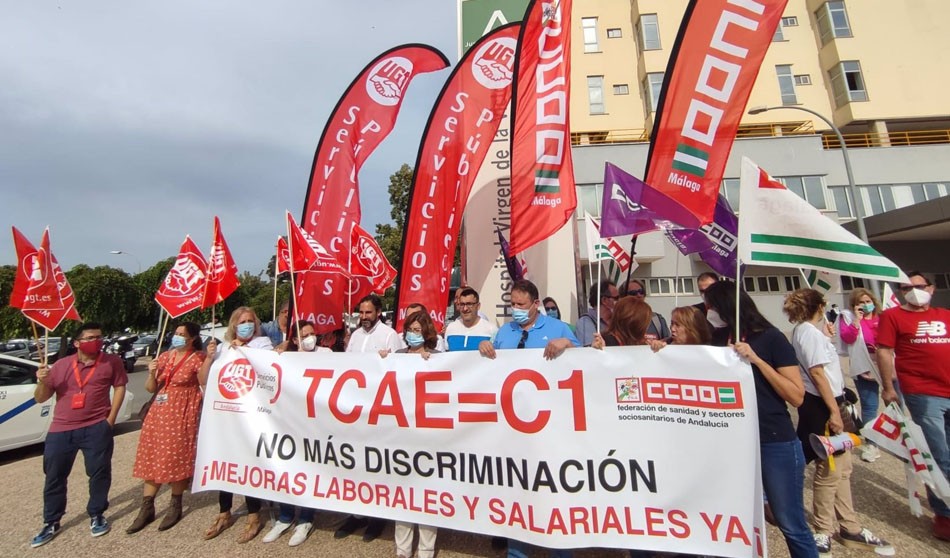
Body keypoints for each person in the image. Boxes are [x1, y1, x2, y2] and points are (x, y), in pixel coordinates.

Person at [703, 281, 817, 558]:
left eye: (711, 306)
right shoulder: (718, 338)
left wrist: (756, 360)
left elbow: (796, 395)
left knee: (789, 522)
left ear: (727, 306)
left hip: (773, 440)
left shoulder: (771, 338)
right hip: (734, 442)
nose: (708, 312)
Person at [784, 289, 894, 555]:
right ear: (820, 306)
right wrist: (834, 412)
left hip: (832, 401)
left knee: (843, 468)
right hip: (823, 406)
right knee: (829, 469)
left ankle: (849, 525)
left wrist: (826, 337)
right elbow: (817, 374)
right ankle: (823, 529)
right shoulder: (807, 333)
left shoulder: (811, 332)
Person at [478, 280, 578, 558]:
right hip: (512, 430)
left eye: (521, 304)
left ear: (536, 304)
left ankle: (560, 550)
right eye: (512, 304)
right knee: (516, 493)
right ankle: (517, 552)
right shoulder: (504, 331)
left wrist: (568, 344)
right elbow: (490, 369)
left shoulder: (559, 328)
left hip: (550, 430)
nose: (516, 309)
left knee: (553, 493)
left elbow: (587, 363)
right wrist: (484, 347)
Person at [30, 322, 129, 548]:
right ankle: (51, 521)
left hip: (96, 427)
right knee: (54, 476)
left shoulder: (111, 362)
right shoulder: (61, 365)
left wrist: (110, 420)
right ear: (77, 343)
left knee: (99, 473)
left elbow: (120, 386)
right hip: (61, 429)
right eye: (90, 338)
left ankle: (97, 514)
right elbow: (40, 398)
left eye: (99, 337)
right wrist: (42, 380)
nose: (97, 341)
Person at [878, 271, 950, 542]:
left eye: (918, 286)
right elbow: (884, 351)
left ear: (931, 288)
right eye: (906, 287)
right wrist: (888, 387)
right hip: (923, 393)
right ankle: (944, 513)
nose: (913, 291)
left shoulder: (944, 315)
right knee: (938, 455)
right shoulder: (893, 316)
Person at [127, 322, 206, 534]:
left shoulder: (197, 357)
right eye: (176, 333)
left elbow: (203, 380)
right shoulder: (165, 357)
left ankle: (175, 503)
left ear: (192, 338)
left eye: (182, 334)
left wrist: (208, 360)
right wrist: (151, 373)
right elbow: (150, 388)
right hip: (159, 412)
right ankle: (147, 506)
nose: (177, 337)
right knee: (152, 456)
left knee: (177, 455)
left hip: (182, 411)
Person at [204, 306, 273, 543]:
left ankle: (254, 515)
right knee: (226, 464)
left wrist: (243, 351)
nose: (246, 325)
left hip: (251, 416)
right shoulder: (223, 348)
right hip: (227, 416)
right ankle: (224, 513)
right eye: (242, 322)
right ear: (234, 325)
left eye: (250, 321)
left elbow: (268, 368)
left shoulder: (263, 344)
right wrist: (209, 358)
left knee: (248, 464)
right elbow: (203, 378)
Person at [337, 294, 401, 542]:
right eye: (361, 313)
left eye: (368, 313)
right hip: (356, 409)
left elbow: (399, 369)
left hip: (379, 409)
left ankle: (377, 517)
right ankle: (356, 513)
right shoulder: (355, 336)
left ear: (378, 312)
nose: (364, 317)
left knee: (376, 463)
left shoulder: (389, 335)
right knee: (356, 462)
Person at [383, 311, 441, 558]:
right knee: (403, 495)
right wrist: (381, 360)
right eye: (410, 329)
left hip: (428, 437)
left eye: (418, 330)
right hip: (401, 436)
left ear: (426, 333)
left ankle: (426, 549)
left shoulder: (438, 357)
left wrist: (433, 364)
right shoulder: (397, 355)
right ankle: (403, 549)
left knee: (427, 495)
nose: (413, 334)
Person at [263, 321, 320, 547]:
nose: (310, 338)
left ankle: (306, 519)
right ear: (295, 339)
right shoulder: (285, 356)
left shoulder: (325, 354)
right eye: (304, 335)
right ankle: (285, 517)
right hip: (288, 422)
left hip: (314, 424)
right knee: (286, 467)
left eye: (313, 333)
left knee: (310, 470)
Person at [837, 287, 884, 463]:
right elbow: (847, 338)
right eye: (861, 303)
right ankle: (872, 444)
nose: (865, 305)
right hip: (864, 366)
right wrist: (857, 320)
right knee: (870, 406)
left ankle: (904, 440)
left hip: (887, 365)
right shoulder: (849, 318)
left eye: (867, 301)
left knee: (897, 404)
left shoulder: (883, 317)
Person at [590, 298, 666, 352]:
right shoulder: (606, 342)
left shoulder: (643, 343)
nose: (646, 328)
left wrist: (658, 349)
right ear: (636, 324)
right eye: (645, 323)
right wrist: (597, 352)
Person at [445, 287, 498, 351]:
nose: (465, 309)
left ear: (478, 306)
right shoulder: (451, 328)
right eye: (462, 304)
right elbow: (446, 354)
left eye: (469, 304)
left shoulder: (491, 329)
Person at [575, 281, 618, 346]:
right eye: (616, 298)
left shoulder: (618, 320)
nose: (621, 300)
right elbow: (591, 349)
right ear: (604, 300)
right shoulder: (585, 322)